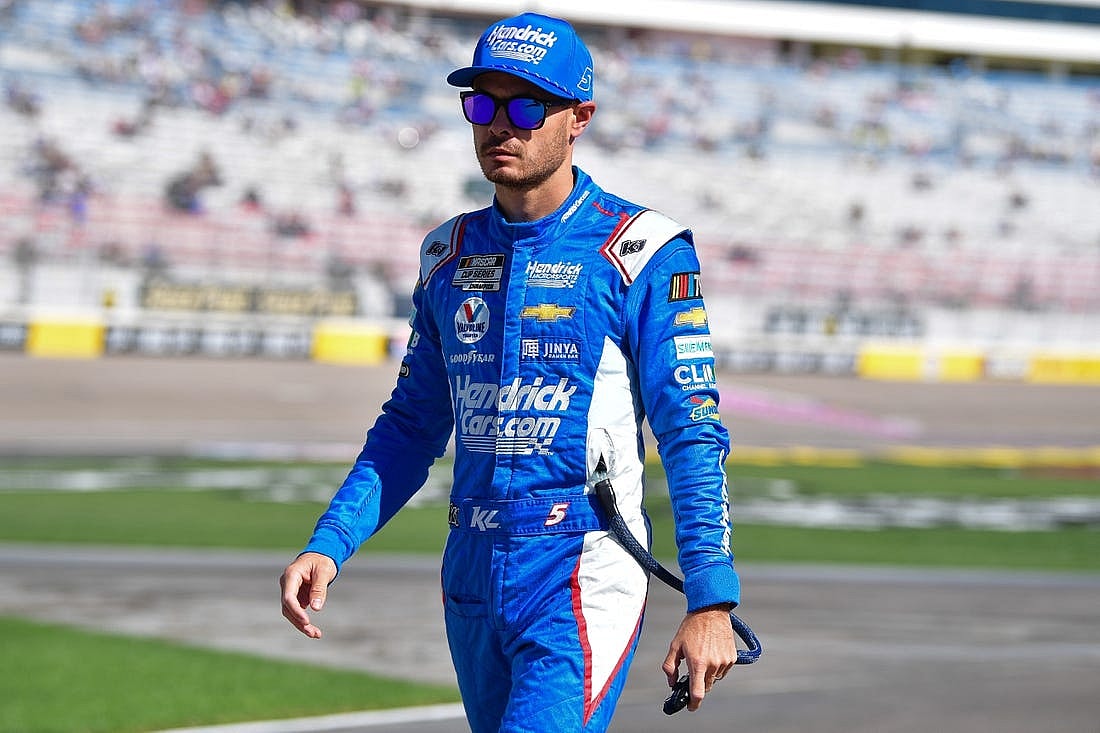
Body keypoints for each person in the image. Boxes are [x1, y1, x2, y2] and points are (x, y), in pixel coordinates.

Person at [279, 12, 740, 731]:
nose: (502, 125)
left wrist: (711, 599)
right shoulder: (448, 254)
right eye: (483, 103)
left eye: (527, 105)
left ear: (578, 117)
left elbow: (692, 430)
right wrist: (328, 543)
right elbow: (409, 426)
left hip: (582, 567)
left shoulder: (641, 249)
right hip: (470, 570)